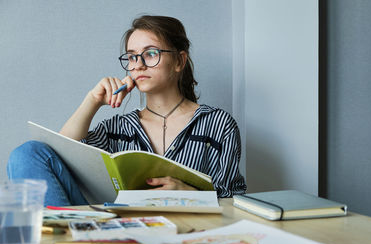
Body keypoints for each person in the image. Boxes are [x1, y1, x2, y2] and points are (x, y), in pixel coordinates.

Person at [7, 15, 246, 206]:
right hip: (119, 229)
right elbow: (59, 155)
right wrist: (92, 100)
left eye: (151, 53)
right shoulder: (117, 128)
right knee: (28, 152)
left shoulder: (219, 124)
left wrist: (192, 195)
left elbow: (234, 203)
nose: (139, 64)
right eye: (132, 57)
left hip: (186, 232)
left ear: (179, 61)